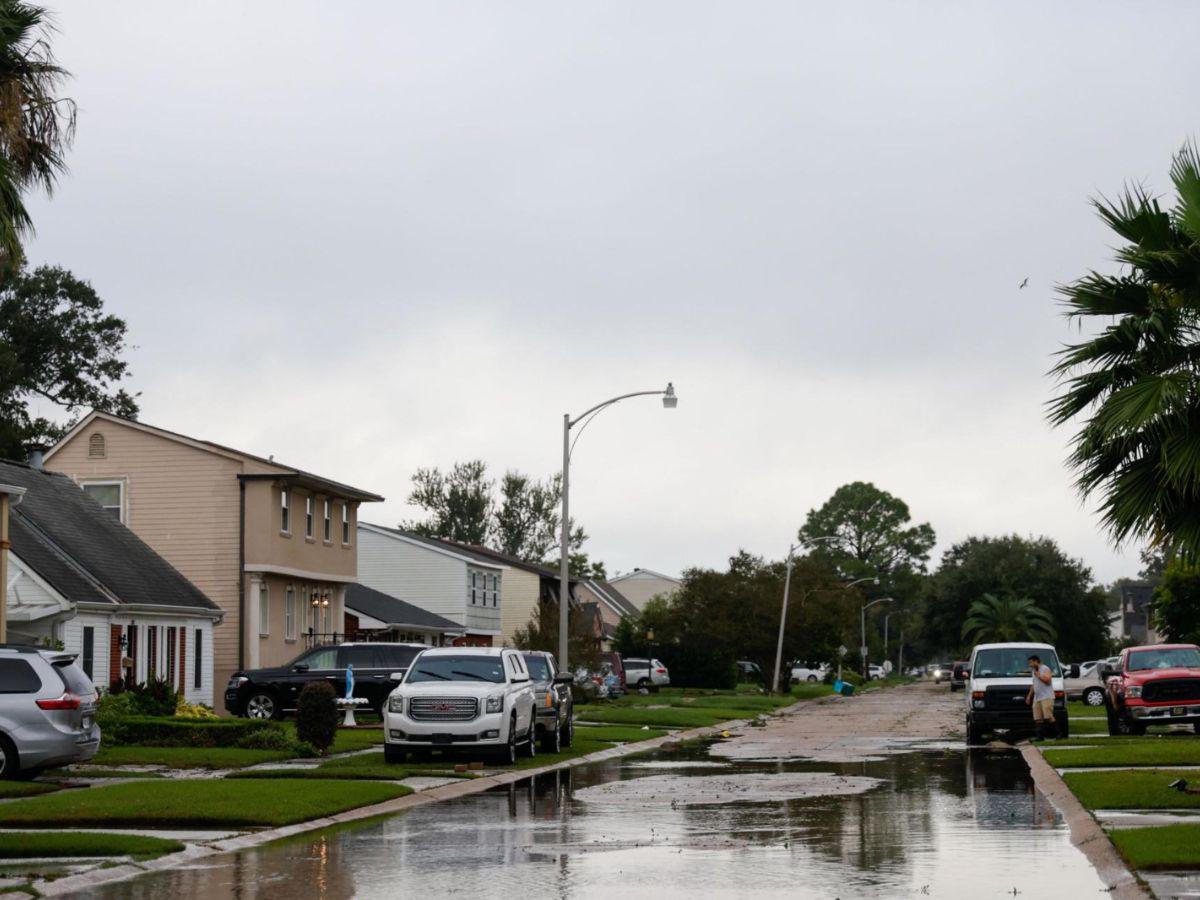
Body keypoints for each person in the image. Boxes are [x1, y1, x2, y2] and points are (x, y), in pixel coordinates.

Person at [1025, 653, 1056, 740]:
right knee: (1037, 718)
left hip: (1046, 696)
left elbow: (1048, 681)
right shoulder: (1033, 671)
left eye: (1031, 663)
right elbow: (1034, 684)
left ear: (1036, 661)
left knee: (1048, 716)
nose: (1030, 665)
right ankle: (1039, 736)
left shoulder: (1045, 668)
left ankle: (1058, 733)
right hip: (1037, 697)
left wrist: (1039, 676)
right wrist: (1029, 696)